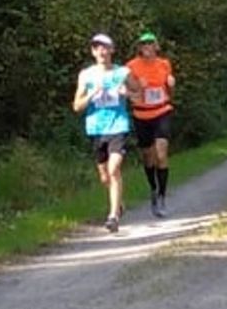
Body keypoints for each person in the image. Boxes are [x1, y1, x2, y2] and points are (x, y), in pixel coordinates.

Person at [72, 33, 132, 233]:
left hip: (118, 126)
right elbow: (76, 106)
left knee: (114, 169)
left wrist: (127, 93)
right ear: (93, 51)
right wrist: (91, 94)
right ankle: (119, 202)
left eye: (106, 47)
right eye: (98, 48)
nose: (102, 51)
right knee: (105, 176)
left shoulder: (122, 72)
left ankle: (113, 216)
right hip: (97, 128)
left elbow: (139, 94)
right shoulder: (86, 75)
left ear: (112, 50)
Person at [126, 31, 175, 218]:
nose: (147, 47)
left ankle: (162, 196)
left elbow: (170, 92)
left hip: (162, 111)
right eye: (143, 44)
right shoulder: (131, 67)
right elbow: (129, 91)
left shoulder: (164, 64)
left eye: (150, 43)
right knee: (148, 156)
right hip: (141, 115)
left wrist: (172, 85)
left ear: (156, 46)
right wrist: (138, 86)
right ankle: (153, 189)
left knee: (161, 154)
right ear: (139, 48)